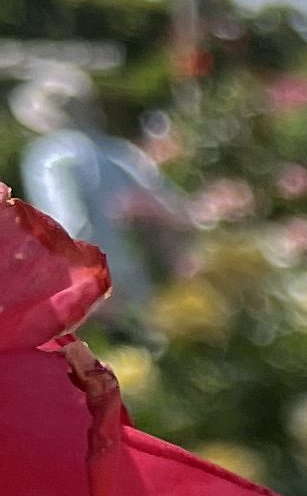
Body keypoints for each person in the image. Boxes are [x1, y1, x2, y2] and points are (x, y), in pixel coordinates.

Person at [11, 62, 186, 314]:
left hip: (91, 291)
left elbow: (67, 224)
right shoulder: (120, 153)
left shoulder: (50, 155)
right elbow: (170, 207)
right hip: (138, 284)